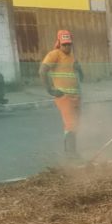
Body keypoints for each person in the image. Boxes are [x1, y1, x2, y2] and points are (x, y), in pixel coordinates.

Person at [39, 29, 83, 159]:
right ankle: (71, 155)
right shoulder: (54, 54)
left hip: (76, 96)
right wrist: (50, 90)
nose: (67, 47)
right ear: (59, 43)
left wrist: (80, 70)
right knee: (71, 124)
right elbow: (42, 71)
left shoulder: (72, 57)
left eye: (69, 44)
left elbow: (81, 78)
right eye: (64, 44)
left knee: (75, 125)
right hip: (64, 96)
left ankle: (71, 151)